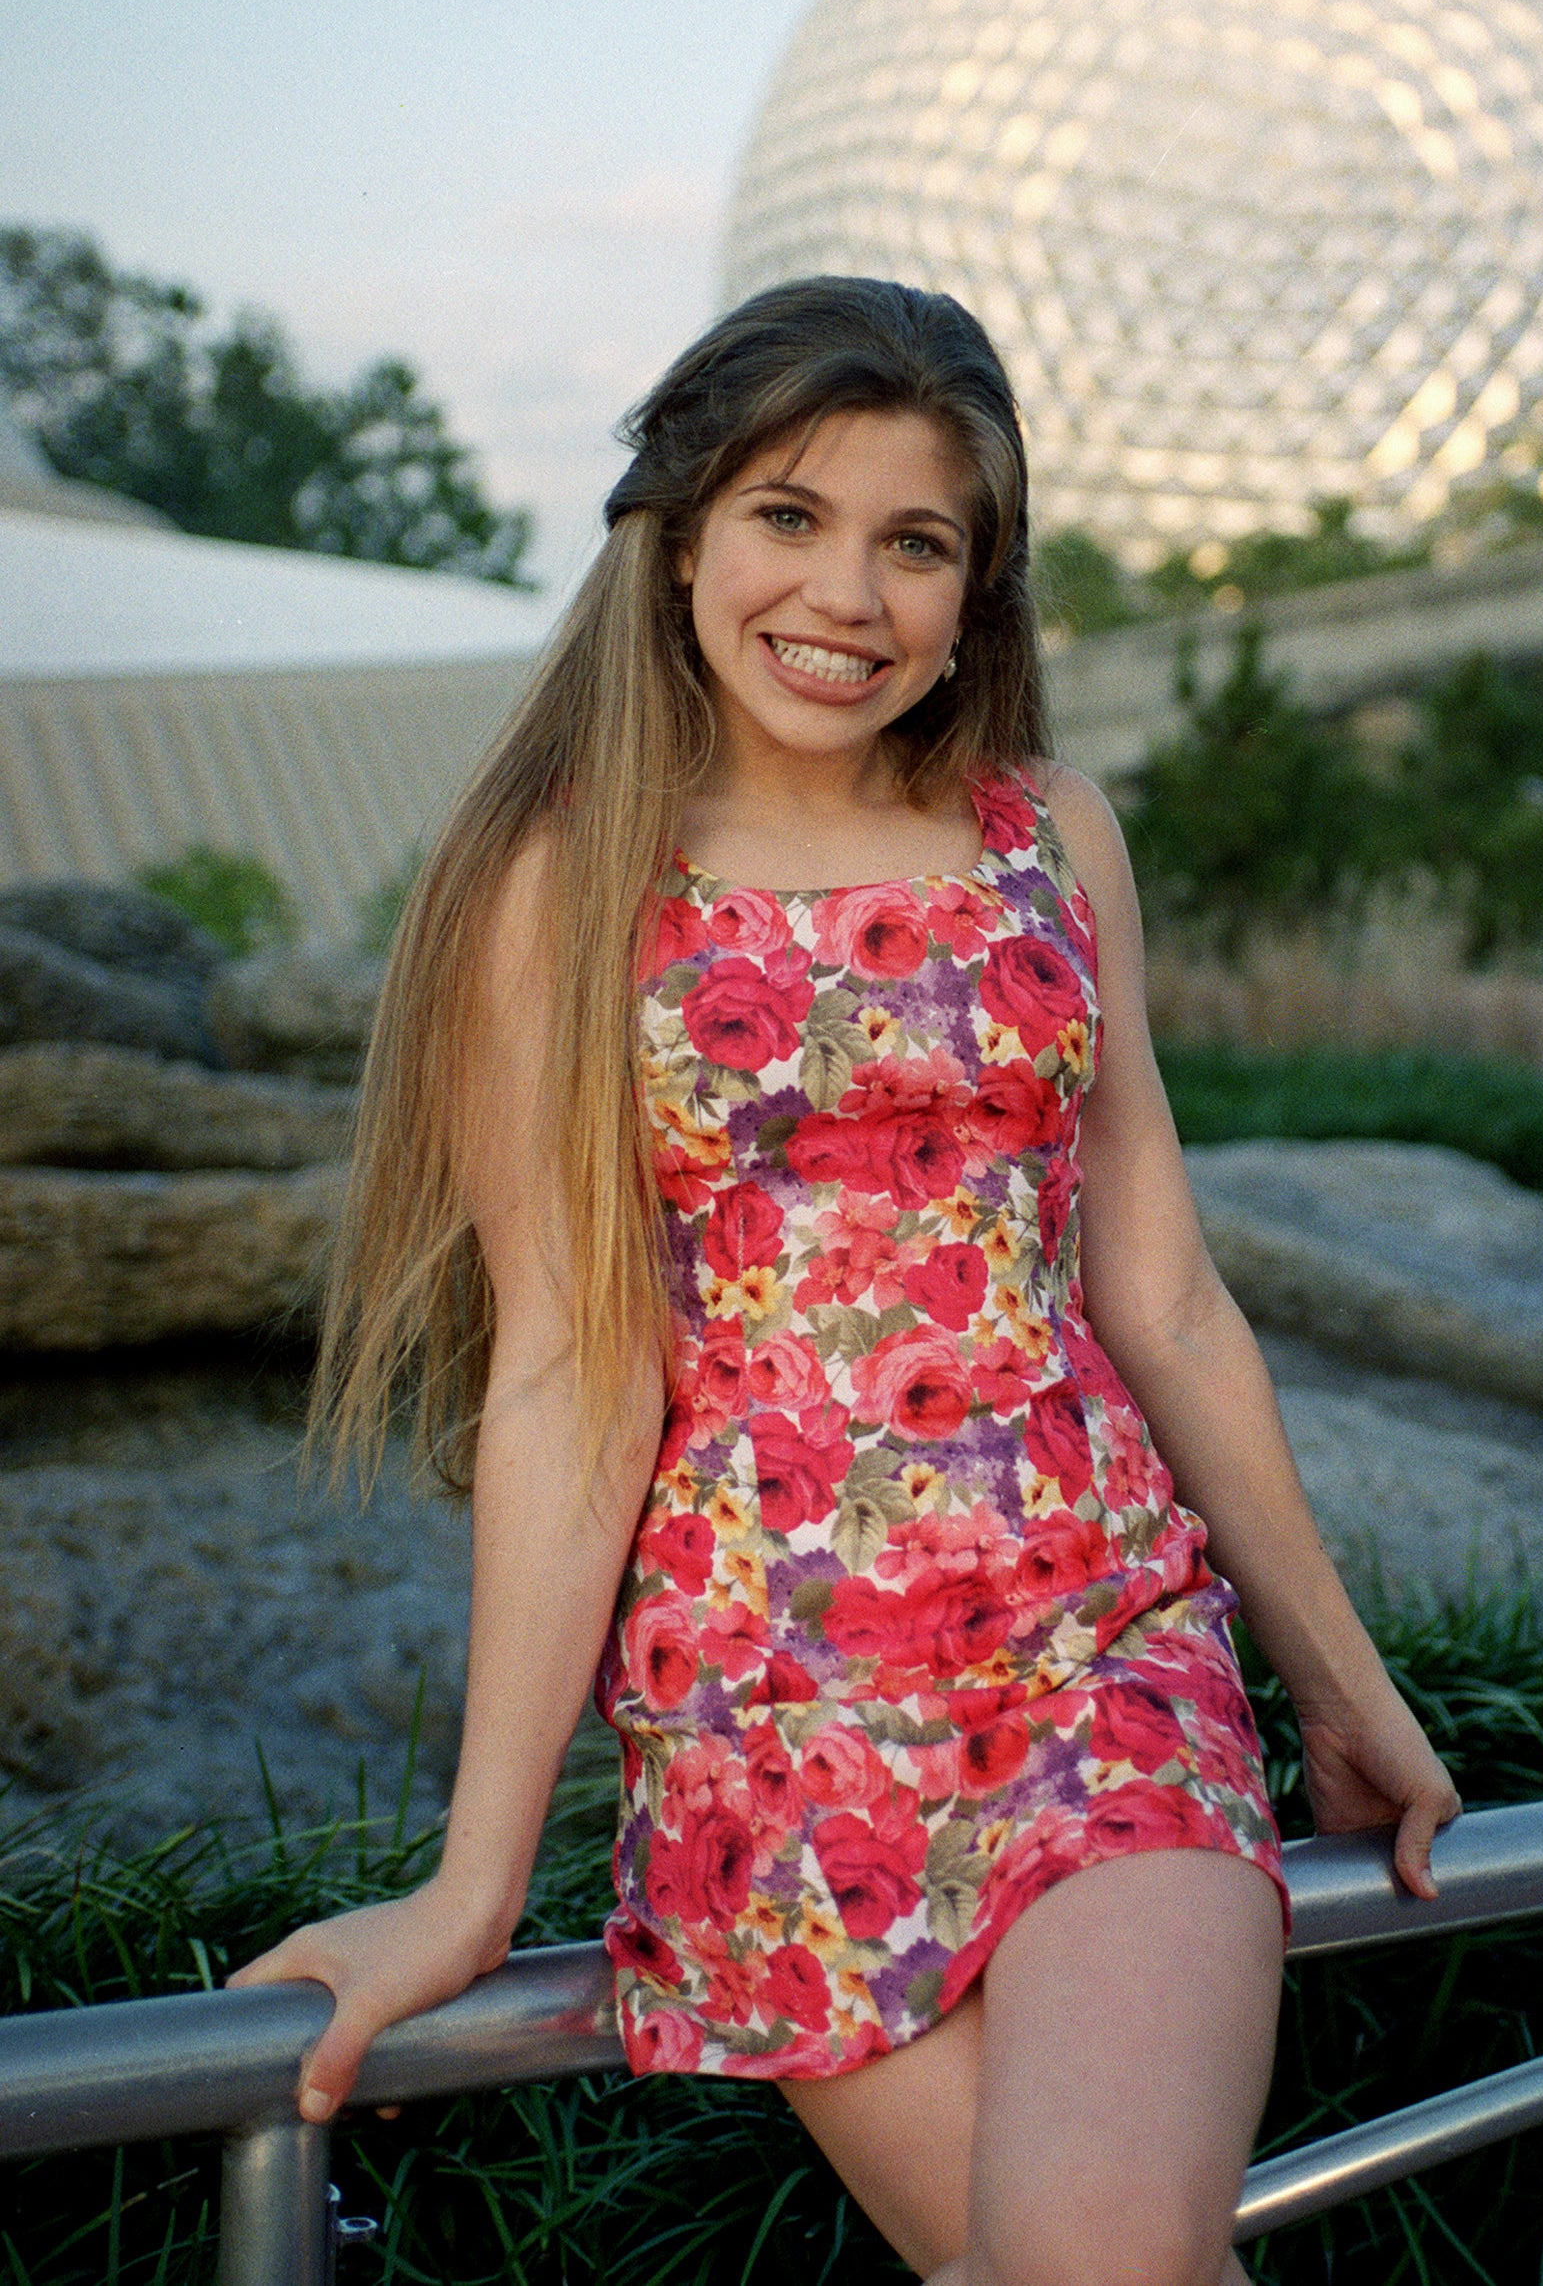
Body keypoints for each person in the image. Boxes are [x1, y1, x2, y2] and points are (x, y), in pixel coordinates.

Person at [234, 277, 1460, 2285]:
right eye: (793, 516)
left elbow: (1167, 1301)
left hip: (1099, 1656)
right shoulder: (563, 885)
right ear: (682, 530)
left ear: (982, 589)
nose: (851, 592)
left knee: (1104, 2257)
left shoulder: (1052, 837)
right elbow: (568, 1376)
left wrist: (1348, 1685)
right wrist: (473, 1885)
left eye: (920, 541)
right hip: (769, 1721)